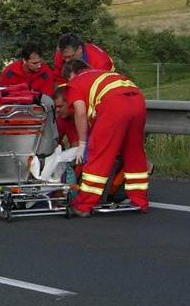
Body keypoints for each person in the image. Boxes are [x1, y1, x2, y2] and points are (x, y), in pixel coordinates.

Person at [60, 59, 149, 217]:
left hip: (115, 105)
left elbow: (80, 112)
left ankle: (84, 204)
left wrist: (82, 142)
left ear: (71, 74)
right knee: (134, 153)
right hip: (137, 100)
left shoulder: (75, 82)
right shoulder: (105, 74)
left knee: (99, 154)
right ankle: (140, 200)